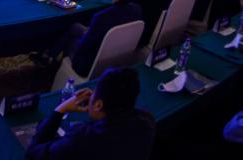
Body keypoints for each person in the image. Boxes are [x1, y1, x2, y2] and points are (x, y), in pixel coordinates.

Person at [27, 67, 155, 160]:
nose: (91, 94)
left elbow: (32, 153)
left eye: (95, 92)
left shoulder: (81, 138)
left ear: (99, 105)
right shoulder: (146, 121)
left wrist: (60, 109)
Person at [46, 0, 142, 77]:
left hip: (89, 66)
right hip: (118, 59)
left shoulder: (103, 17)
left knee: (72, 41)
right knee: (75, 27)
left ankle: (56, 71)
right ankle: (50, 55)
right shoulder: (137, 10)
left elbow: (84, 47)